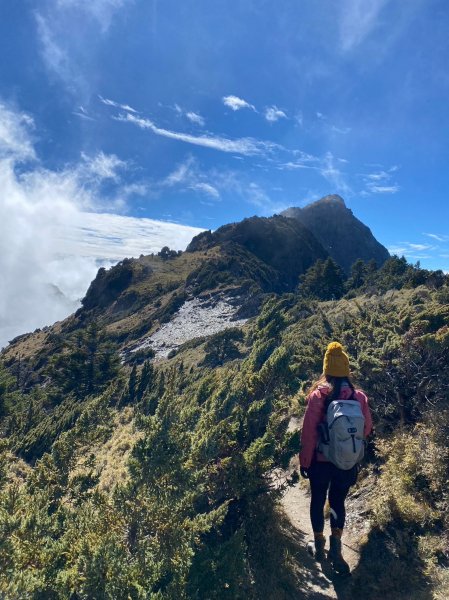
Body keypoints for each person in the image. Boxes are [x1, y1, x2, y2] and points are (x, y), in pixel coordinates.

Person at [299, 342, 372, 573]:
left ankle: (319, 547)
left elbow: (308, 433)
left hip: (320, 462)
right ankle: (337, 548)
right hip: (346, 463)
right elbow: (367, 429)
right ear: (347, 370)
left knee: (318, 500)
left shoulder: (318, 395)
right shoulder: (359, 396)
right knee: (338, 501)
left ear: (326, 369)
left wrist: (305, 461)